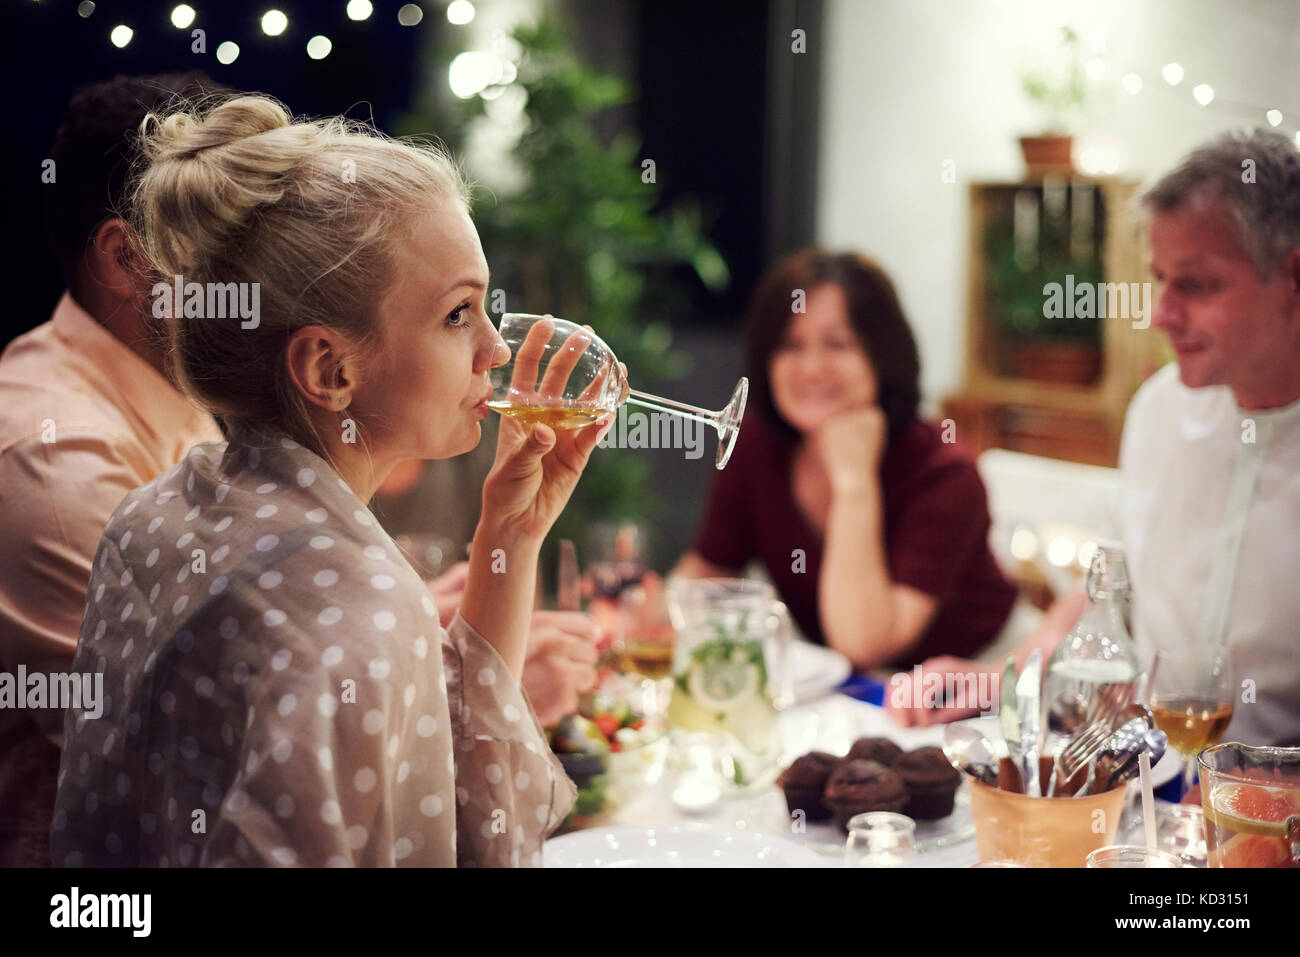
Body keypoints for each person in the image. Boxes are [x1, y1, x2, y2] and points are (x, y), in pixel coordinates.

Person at [50, 93, 615, 867]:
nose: (493, 349)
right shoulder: (356, 602)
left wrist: (509, 537)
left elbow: (433, 775)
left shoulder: (151, 516)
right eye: (458, 314)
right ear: (330, 368)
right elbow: (476, 843)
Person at [889, 128, 1300, 749]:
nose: (1161, 313)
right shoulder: (1161, 411)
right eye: (1159, 279)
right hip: (1148, 783)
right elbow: (1113, 583)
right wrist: (1006, 676)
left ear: (1293, 276)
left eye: (1196, 283)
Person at [0, 72, 226, 867]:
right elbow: (193, 759)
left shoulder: (173, 387)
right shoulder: (52, 459)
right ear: (129, 258)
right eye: (238, 238)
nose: (277, 276)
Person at [673, 250, 1017, 671]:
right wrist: (644, 614)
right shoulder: (759, 445)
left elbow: (863, 643)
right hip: (848, 687)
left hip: (982, 683)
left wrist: (854, 481)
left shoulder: (945, 473)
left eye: (838, 344)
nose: (813, 367)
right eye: (790, 345)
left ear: (883, 355)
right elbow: (708, 571)